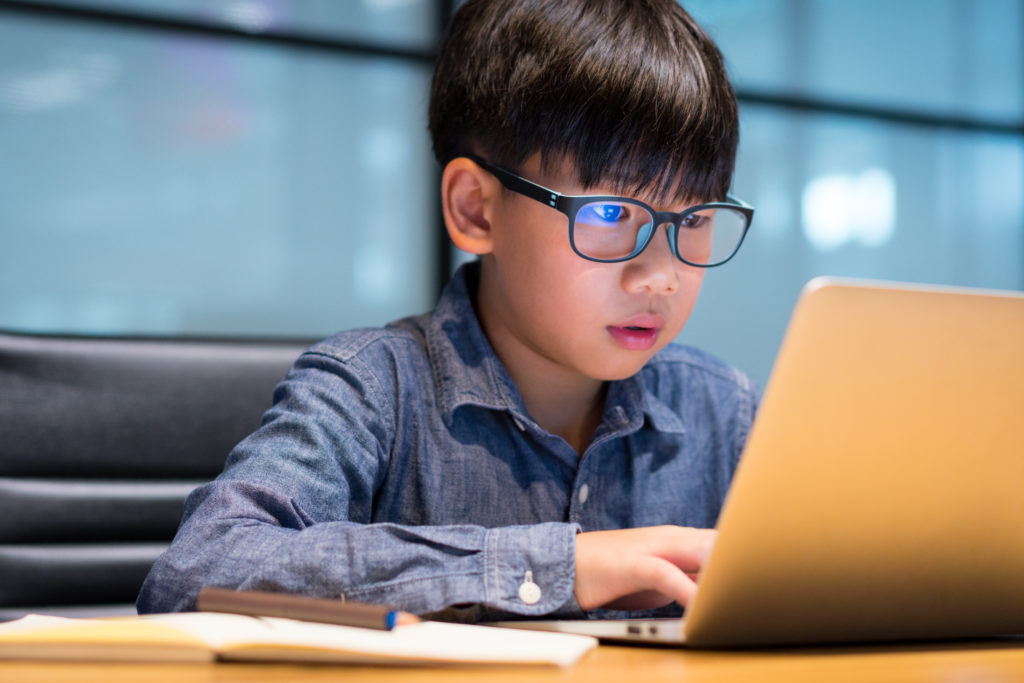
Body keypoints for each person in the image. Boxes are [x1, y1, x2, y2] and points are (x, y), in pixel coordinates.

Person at [137, 0, 760, 621]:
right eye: (608, 213)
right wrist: (562, 567)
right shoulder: (372, 390)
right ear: (476, 210)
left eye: (696, 218)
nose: (660, 276)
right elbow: (201, 570)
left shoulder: (725, 412)